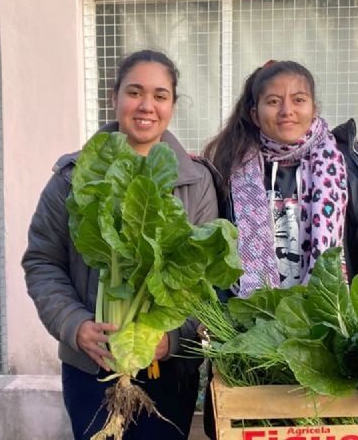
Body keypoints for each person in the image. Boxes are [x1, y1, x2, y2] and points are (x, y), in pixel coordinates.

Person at [202, 60, 358, 435]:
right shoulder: (224, 172)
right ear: (253, 113)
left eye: (298, 99)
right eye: (273, 101)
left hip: (341, 341)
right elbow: (207, 256)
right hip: (255, 347)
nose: (287, 110)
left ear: (314, 107)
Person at [22, 50, 217, 440]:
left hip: (167, 371)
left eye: (160, 96)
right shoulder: (72, 176)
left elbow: (207, 278)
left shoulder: (197, 182)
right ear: (115, 97)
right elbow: (43, 262)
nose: (147, 106)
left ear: (172, 106)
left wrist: (173, 338)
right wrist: (75, 326)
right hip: (91, 367)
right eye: (135, 92)